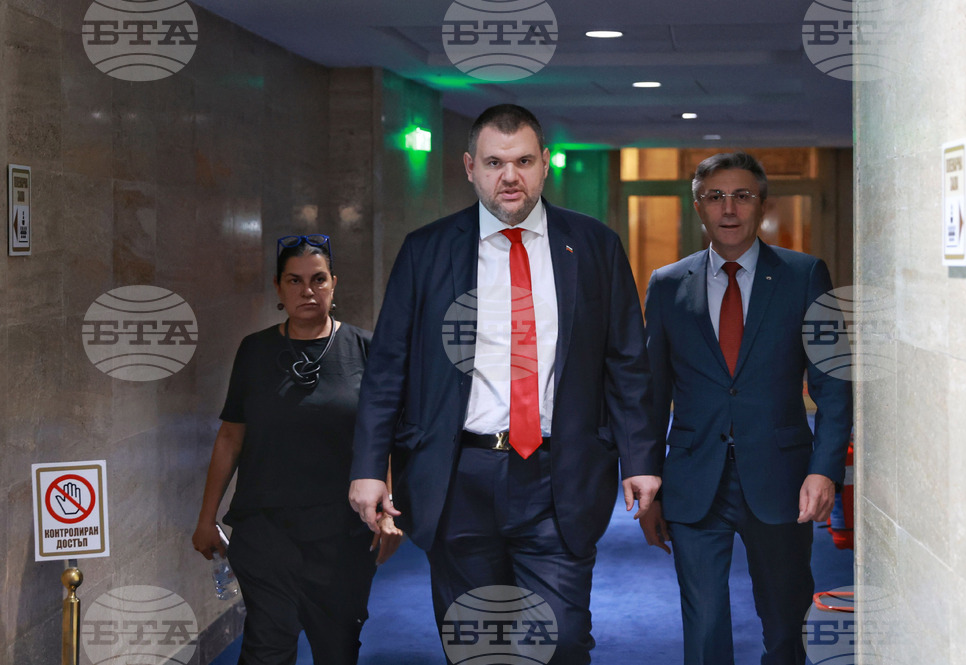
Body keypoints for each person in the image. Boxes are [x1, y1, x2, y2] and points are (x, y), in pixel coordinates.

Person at [348, 104, 661, 664]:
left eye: (523, 161)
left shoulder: (594, 246)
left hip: (558, 475)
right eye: (494, 162)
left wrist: (640, 457)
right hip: (457, 477)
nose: (509, 176)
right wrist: (370, 468)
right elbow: (388, 367)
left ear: (546, 164)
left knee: (563, 641)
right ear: (470, 167)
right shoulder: (426, 250)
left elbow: (626, 362)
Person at [640, 152, 853, 665]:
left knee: (785, 624)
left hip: (782, 478)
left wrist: (825, 470)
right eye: (715, 196)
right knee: (704, 623)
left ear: (762, 204)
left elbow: (832, 383)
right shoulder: (667, 284)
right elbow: (651, 393)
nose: (729, 208)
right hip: (693, 479)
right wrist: (647, 482)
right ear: (698, 206)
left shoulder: (805, 275)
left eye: (742, 196)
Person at [192, 234, 402, 665]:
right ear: (278, 287)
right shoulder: (255, 351)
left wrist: (387, 511)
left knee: (337, 648)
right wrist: (206, 518)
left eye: (318, 279)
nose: (308, 290)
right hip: (266, 528)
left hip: (342, 532)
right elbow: (231, 436)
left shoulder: (366, 349)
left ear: (333, 284)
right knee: (267, 645)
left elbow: (383, 438)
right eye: (295, 280)